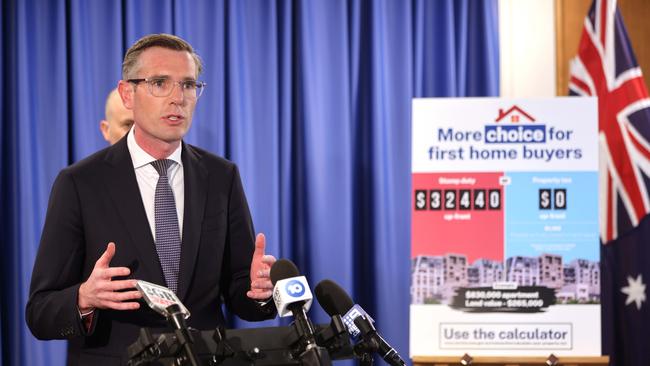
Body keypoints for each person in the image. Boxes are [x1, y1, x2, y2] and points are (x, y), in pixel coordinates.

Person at [26, 34, 277, 365]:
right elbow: (40, 312)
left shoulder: (221, 176)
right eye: (160, 83)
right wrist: (84, 298)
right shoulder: (79, 183)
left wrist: (259, 292)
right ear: (127, 93)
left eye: (188, 85)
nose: (178, 98)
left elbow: (240, 293)